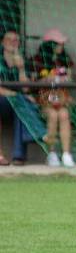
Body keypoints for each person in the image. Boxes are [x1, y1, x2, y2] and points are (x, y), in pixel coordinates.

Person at [32, 29, 75, 167]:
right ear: (50, 45)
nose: (61, 46)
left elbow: (71, 79)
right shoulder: (36, 60)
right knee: (53, 116)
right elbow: (31, 84)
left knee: (64, 114)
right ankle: (51, 153)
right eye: (58, 44)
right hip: (44, 100)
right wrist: (46, 79)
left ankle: (66, 154)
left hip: (61, 99)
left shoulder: (65, 59)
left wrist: (65, 78)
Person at [0, 29, 29, 166]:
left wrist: (22, 69)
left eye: (16, 40)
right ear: (2, 42)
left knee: (21, 108)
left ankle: (18, 156)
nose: (12, 42)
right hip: (3, 100)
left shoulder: (23, 60)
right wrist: (14, 94)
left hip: (17, 103)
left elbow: (26, 89)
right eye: (9, 39)